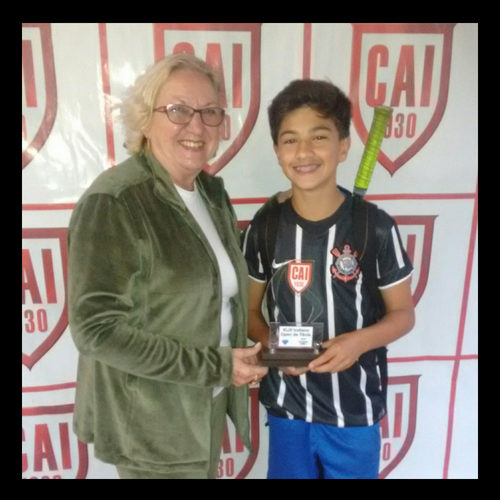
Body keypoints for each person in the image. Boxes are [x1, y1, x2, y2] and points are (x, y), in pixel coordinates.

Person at [68, 53, 268, 479]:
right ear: (145, 119)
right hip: (150, 428)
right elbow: (96, 330)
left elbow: (219, 300)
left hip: (206, 404)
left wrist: (247, 356)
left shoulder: (210, 194)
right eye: (178, 110)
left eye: (209, 112)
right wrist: (217, 366)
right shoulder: (116, 201)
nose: (196, 126)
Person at [242, 79, 415, 479]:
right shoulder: (265, 228)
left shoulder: (374, 226)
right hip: (288, 410)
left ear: (343, 146)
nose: (304, 152)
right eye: (290, 140)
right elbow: (250, 313)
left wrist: (359, 342)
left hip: (354, 413)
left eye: (319, 137)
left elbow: (403, 314)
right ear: (277, 151)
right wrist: (277, 349)